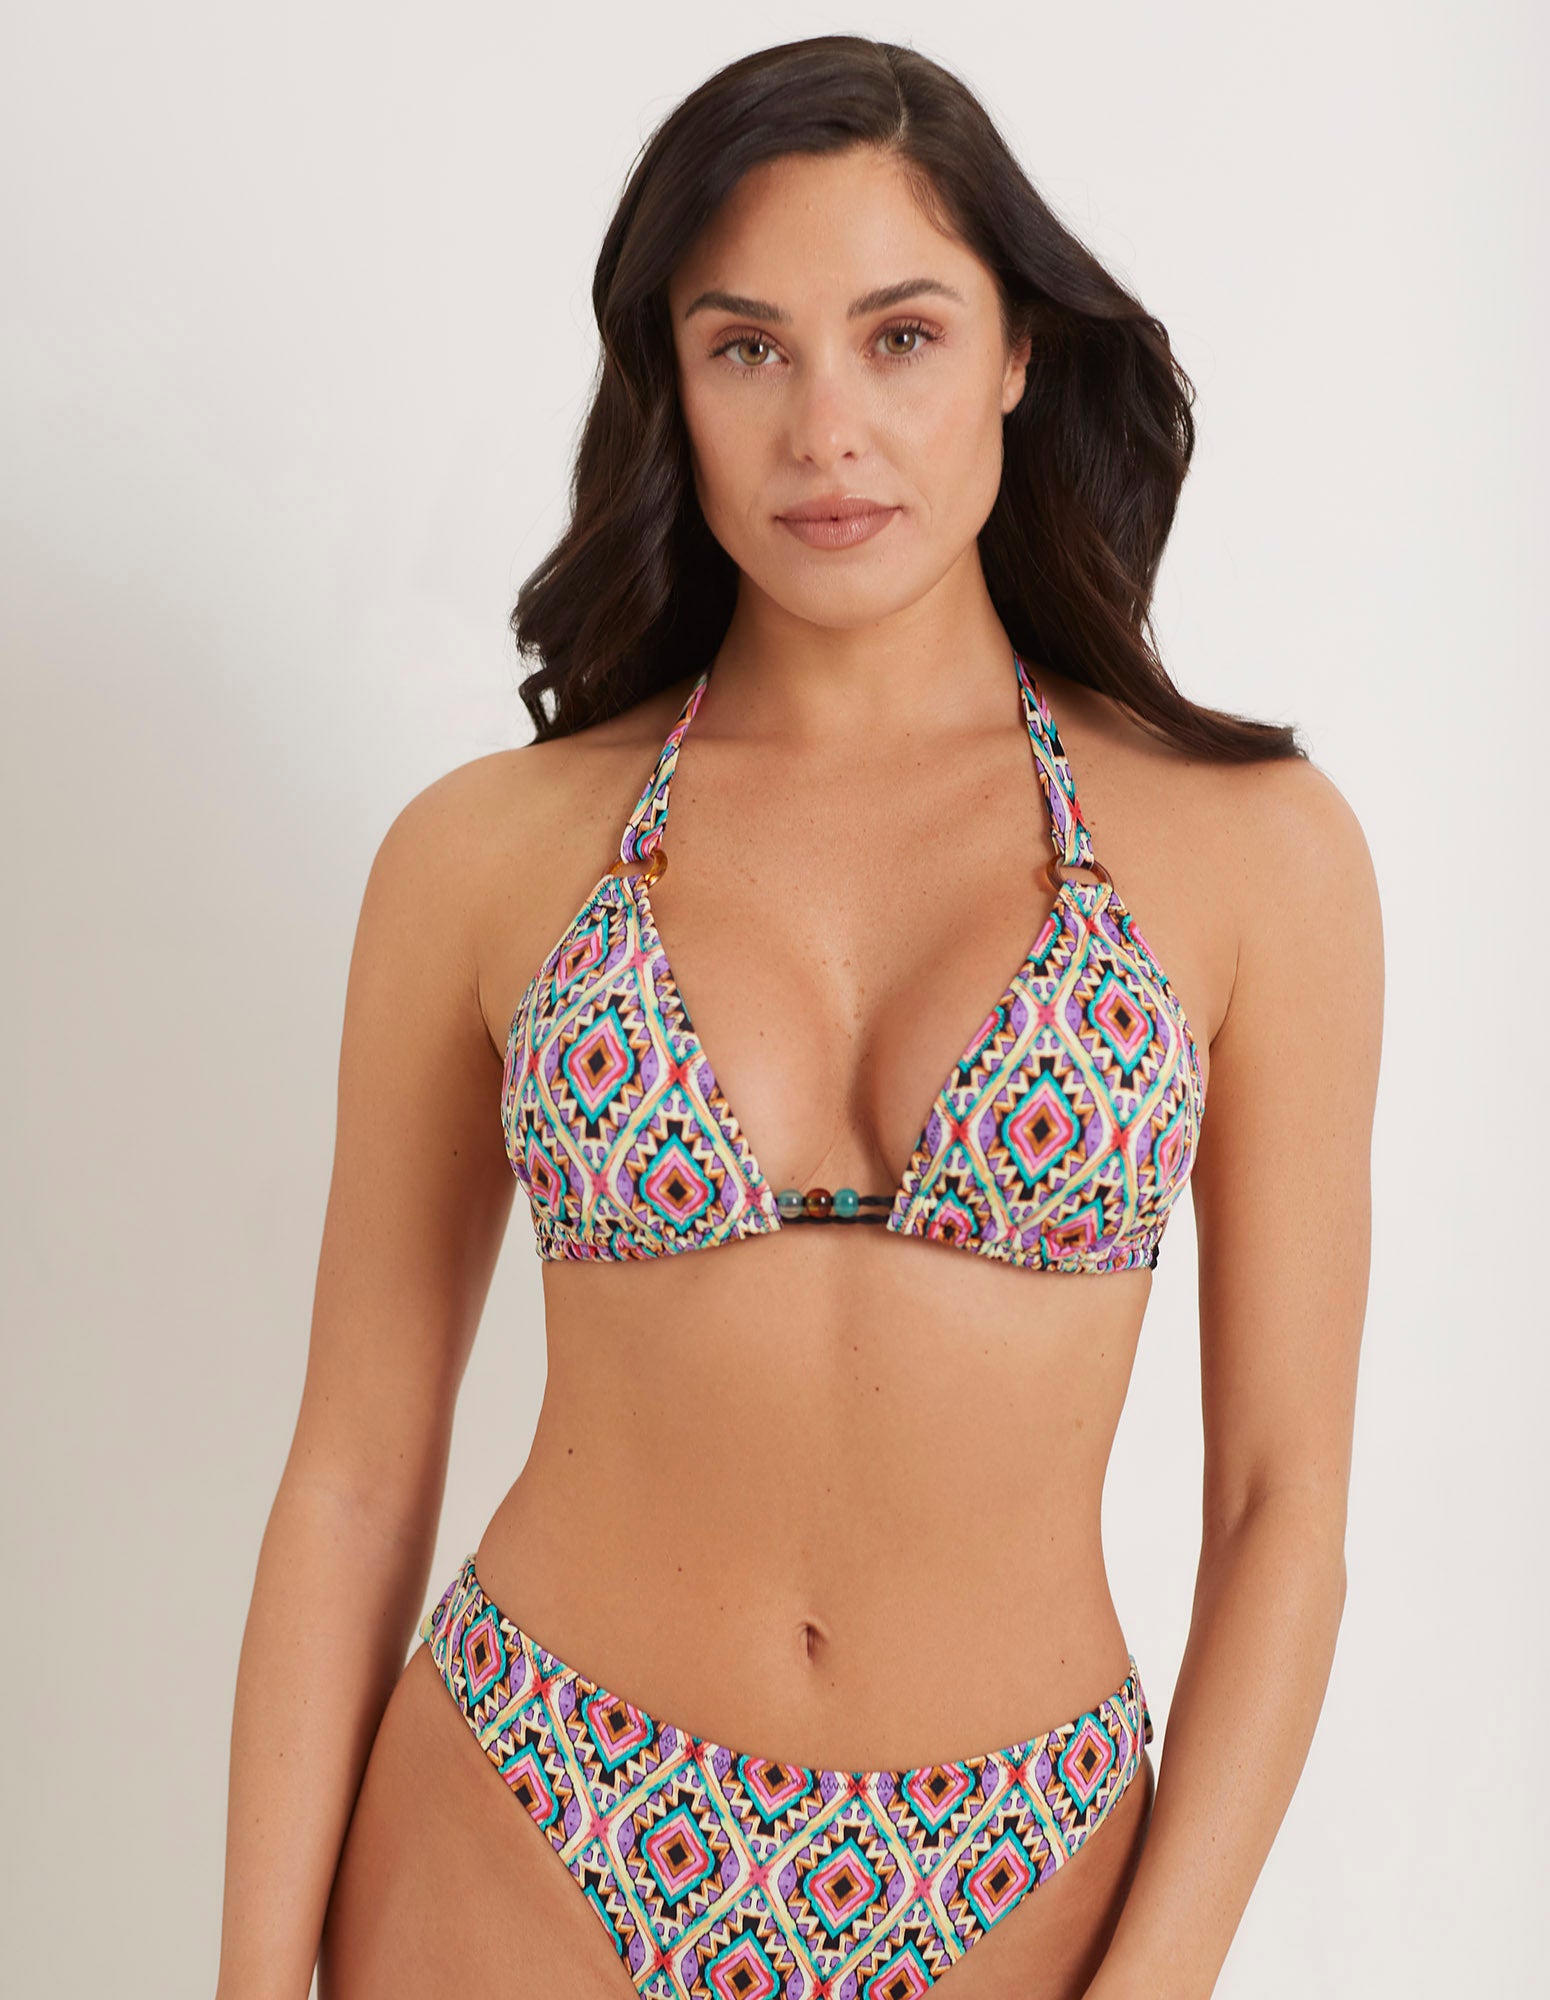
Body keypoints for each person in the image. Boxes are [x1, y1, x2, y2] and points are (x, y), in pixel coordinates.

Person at [215, 34, 1382, 2000]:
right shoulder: (485, 851)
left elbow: (1283, 1508)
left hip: (1015, 1864)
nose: (826, 428)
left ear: (1016, 352)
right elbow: (348, 1477)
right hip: (525, 1811)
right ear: (668, 380)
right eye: (747, 346)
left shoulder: (1252, 854)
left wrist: (1155, 1984)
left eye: (900, 337)